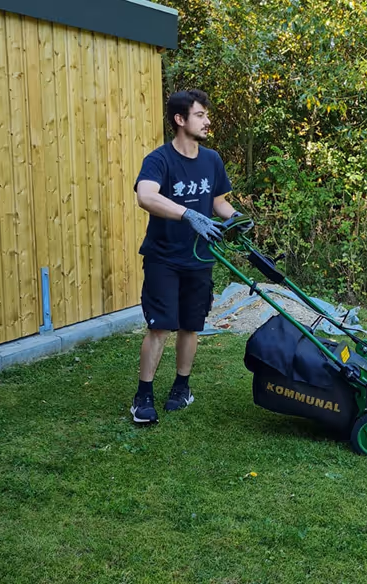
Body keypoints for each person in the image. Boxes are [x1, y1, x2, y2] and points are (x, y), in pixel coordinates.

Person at [130, 89, 240, 424]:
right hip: (164, 257)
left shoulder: (212, 160)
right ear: (180, 119)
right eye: (200, 115)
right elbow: (146, 196)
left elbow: (218, 201)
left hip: (199, 258)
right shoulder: (159, 160)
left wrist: (236, 219)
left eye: (206, 115)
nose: (207, 121)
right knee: (160, 326)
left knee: (191, 326)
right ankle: (143, 396)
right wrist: (186, 215)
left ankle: (182, 387)